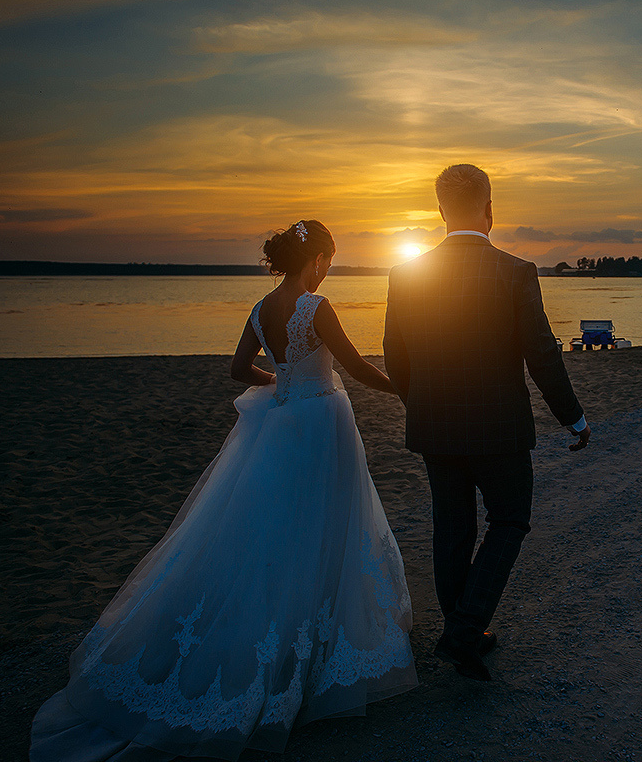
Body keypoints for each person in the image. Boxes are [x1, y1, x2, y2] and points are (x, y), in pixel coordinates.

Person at [30, 220, 417, 762]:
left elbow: (238, 369)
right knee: (325, 525)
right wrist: (405, 389)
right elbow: (353, 367)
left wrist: (280, 384)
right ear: (319, 258)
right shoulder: (316, 306)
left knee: (270, 529)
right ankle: (312, 652)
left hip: (281, 423)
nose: (327, 268)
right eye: (328, 259)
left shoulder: (260, 310)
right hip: (322, 424)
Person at [383, 164, 591, 682]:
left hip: (436, 424)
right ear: (490, 208)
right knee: (510, 520)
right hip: (499, 427)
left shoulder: (406, 273)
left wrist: (420, 401)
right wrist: (574, 418)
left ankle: (464, 632)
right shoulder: (515, 272)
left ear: (440, 210)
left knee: (452, 529)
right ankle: (463, 631)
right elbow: (542, 353)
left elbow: (394, 353)